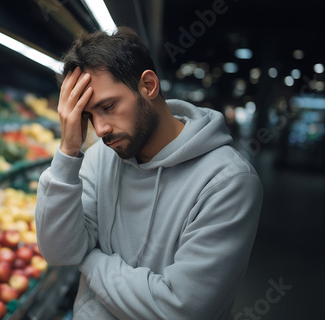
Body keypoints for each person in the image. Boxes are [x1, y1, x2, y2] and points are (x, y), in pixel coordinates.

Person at [35, 27, 263, 320]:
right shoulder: (99, 159)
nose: (100, 129)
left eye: (108, 106)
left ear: (148, 85)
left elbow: (179, 310)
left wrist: (90, 259)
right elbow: (59, 252)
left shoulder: (228, 182)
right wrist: (68, 150)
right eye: (88, 116)